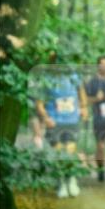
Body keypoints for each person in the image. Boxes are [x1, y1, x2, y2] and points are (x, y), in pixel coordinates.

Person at [35, 69, 87, 197]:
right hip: (55, 121)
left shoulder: (74, 76)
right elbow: (39, 104)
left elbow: (82, 95)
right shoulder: (46, 79)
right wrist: (46, 118)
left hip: (72, 120)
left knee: (69, 150)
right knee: (59, 152)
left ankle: (72, 179)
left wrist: (84, 108)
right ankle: (61, 182)